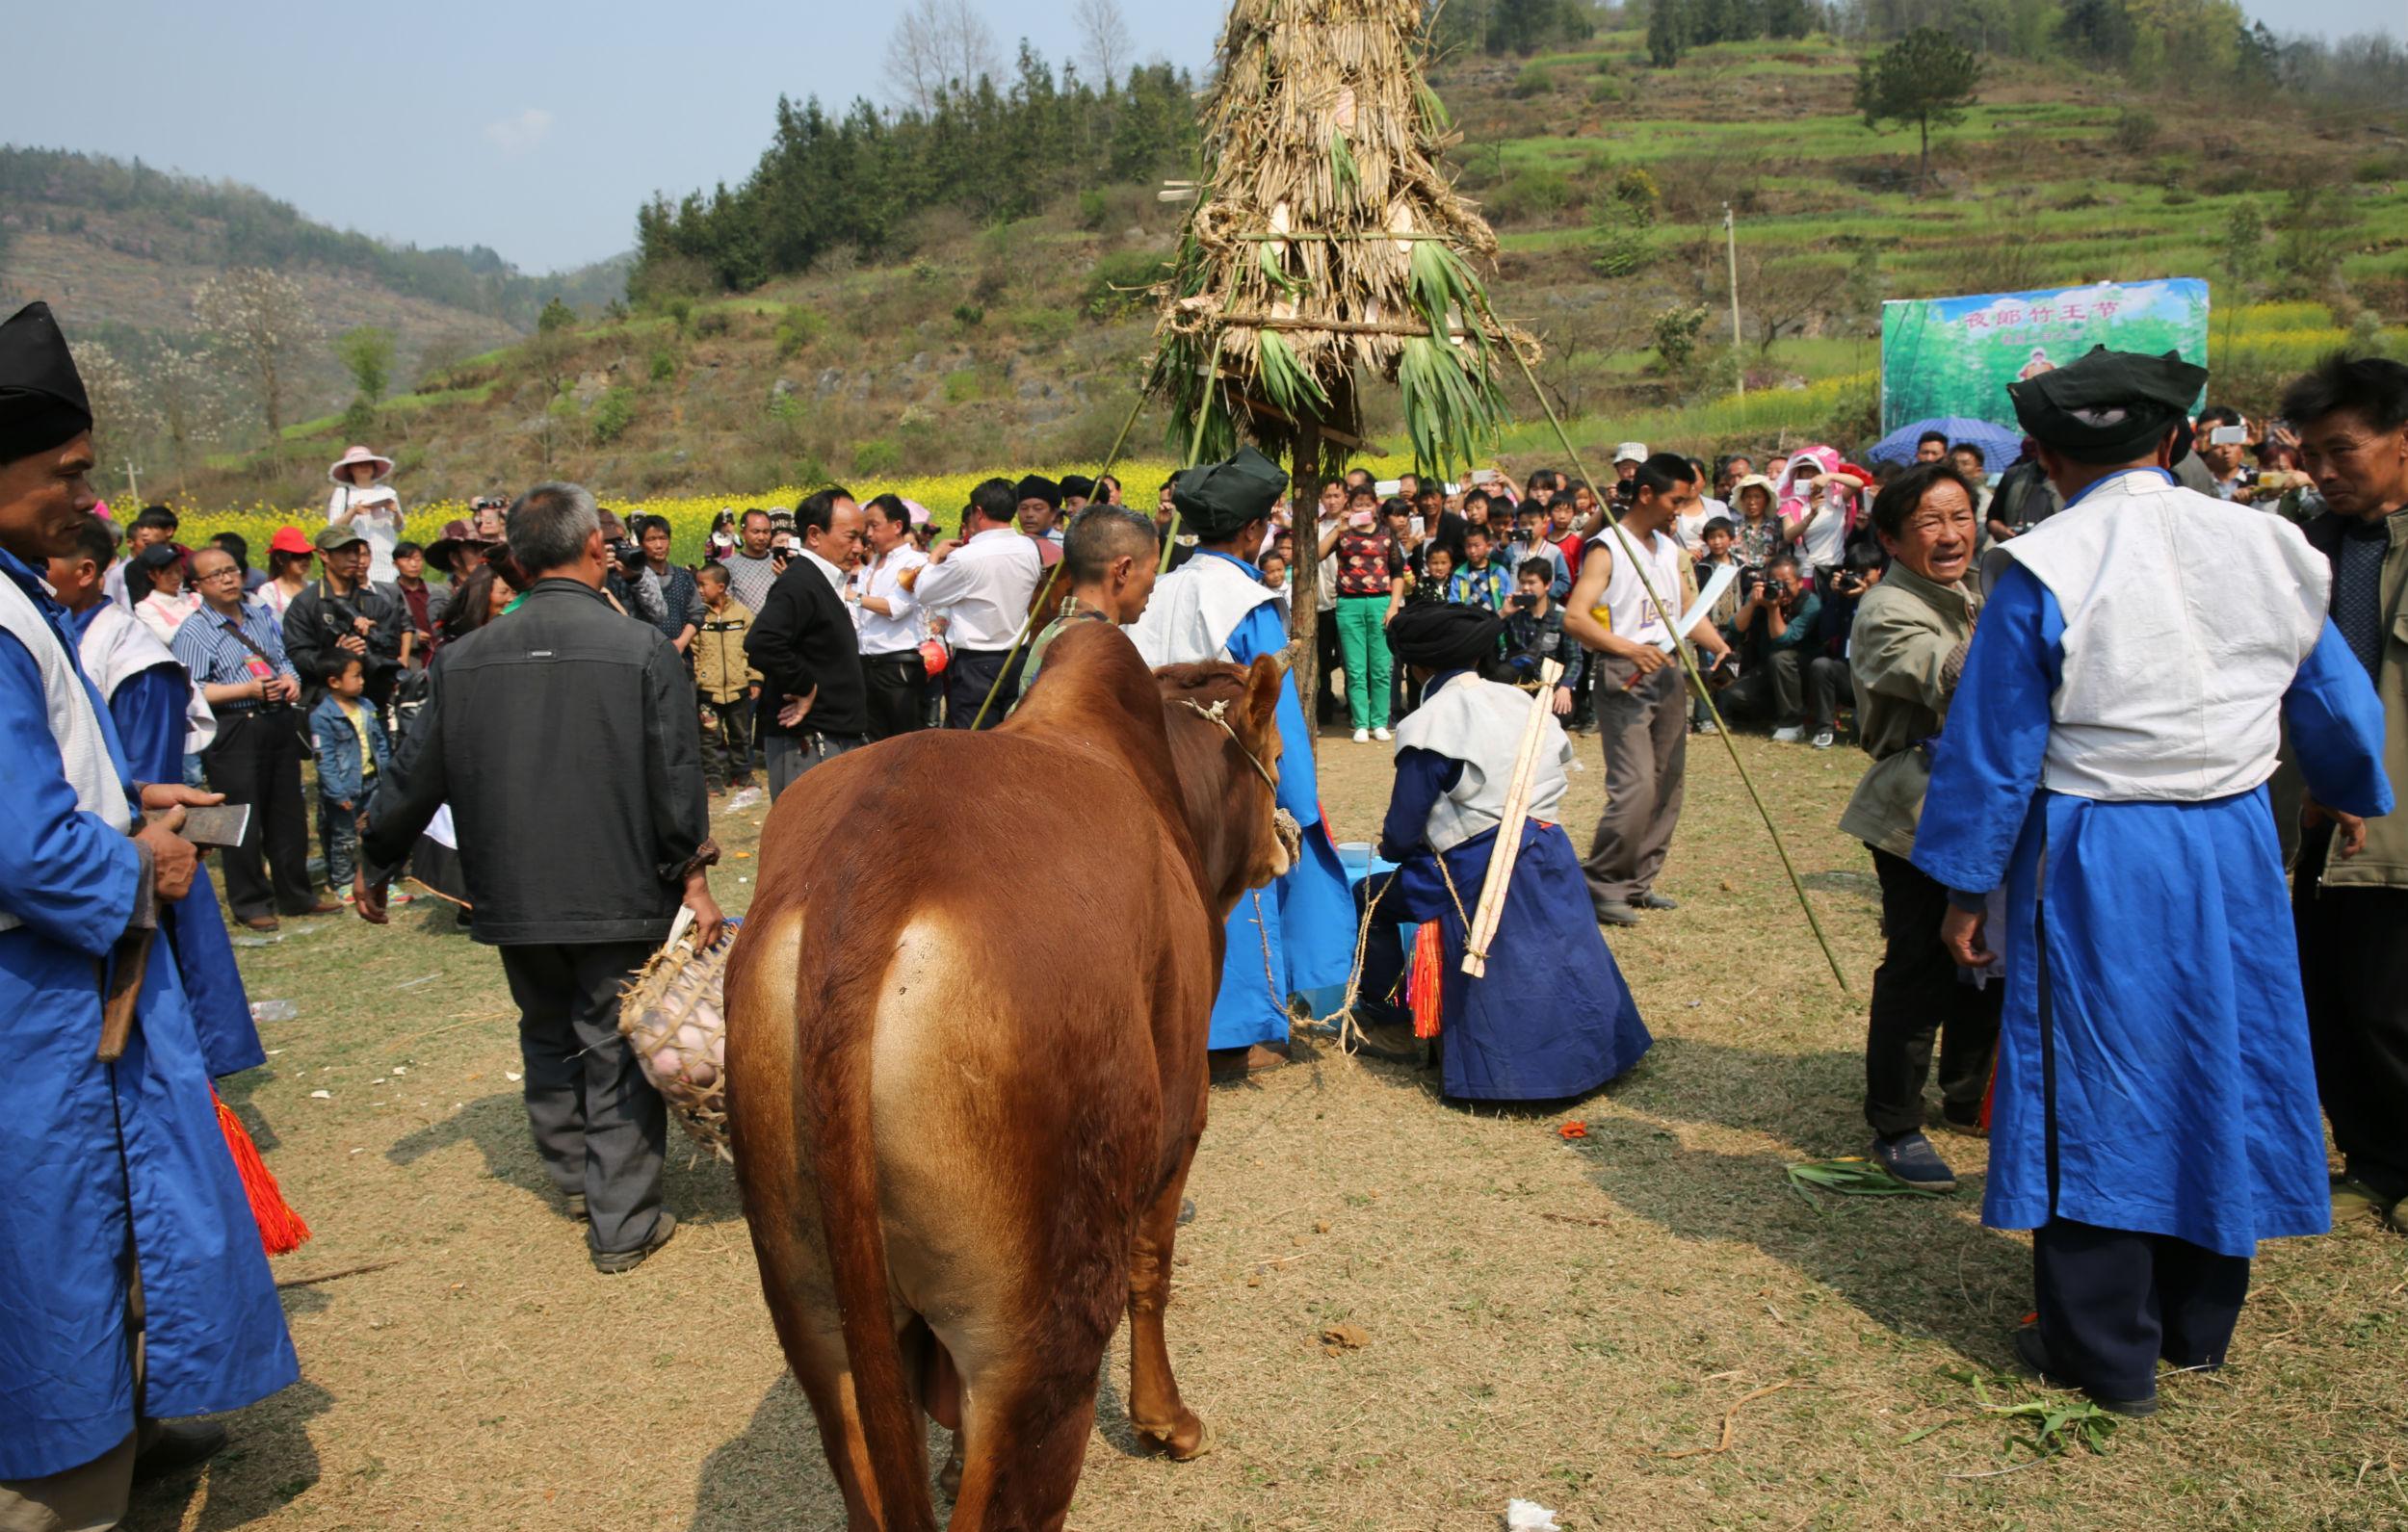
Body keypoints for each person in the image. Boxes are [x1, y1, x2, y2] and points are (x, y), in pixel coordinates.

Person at [1911, 347, 2392, 1416]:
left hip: (2098, 846)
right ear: (2174, 441)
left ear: (2039, 454)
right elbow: (2337, 702)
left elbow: (1991, 753)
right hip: (2231, 843)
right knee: (2215, 1056)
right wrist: (2349, 787)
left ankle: (2102, 1350)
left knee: (2096, 1078)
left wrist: (1962, 890)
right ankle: (2195, 1324)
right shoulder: (2274, 544)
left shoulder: (2042, 566)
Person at [0, 299, 297, 1522]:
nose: (92, 501)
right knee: (59, 1268)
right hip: (40, 1012)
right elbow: (21, 843)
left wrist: (132, 800)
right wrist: (141, 865)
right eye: (66, 474)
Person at [359, 481, 721, 1273]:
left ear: (515, 563)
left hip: (513, 890)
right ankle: (622, 1219)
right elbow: (675, 775)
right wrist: (692, 877)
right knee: (612, 1035)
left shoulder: (460, 659)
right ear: (598, 547)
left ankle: (573, 1175)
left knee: (546, 1026)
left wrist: (375, 858)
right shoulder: (643, 649)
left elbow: (413, 774)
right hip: (619, 885)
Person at [1128, 447, 1357, 1069]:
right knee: (1235, 894)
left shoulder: (1159, 588)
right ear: (1254, 531)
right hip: (1223, 775)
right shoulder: (1247, 602)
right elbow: (1268, 712)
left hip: (1153, 764)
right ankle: (1233, 1037)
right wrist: (1298, 800)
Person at [1373, 601, 1652, 1100]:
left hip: (1475, 869)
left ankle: (1389, 1024)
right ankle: (1597, 1050)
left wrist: (1401, 843)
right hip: (1550, 853)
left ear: (1418, 668)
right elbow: (1557, 762)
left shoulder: (1429, 722)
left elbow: (1399, 835)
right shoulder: (1524, 702)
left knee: (1366, 899)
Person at [1833, 461, 2001, 1191]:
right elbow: (1959, 675)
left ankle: (1967, 1093)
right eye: (1929, 522)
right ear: (1893, 541)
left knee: (1986, 960)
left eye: (1960, 515)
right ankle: (1896, 1124)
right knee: (1919, 965)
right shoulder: (1887, 608)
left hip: (1989, 802)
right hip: (1920, 806)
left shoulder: (1970, 592)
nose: (1950, 533)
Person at [49, 517, 261, 1085]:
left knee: (164, 1013)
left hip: (140, 847)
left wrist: (136, 820)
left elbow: (139, 770)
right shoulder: (65, 633)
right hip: (102, 848)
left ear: (86, 572)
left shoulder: (132, 655)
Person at [2282, 354, 2408, 1235]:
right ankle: (2373, 1158)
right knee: (2328, 998)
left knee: (2392, 1004)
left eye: (2342, 451)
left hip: (2402, 818)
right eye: (2311, 456)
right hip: (2320, 819)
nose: (2323, 472)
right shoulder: (2299, 554)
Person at [1563, 453, 1734, 926]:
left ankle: (1638, 881)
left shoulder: (1667, 546)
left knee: (1667, 781)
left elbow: (1685, 610)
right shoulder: (1607, 547)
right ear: (1645, 494)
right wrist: (1629, 650)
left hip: (1669, 673)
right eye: (1676, 500)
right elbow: (1575, 618)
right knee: (1635, 785)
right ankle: (1601, 883)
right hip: (1626, 674)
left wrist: (1718, 645)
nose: (1681, 509)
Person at [171, 544, 334, 931]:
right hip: (234, 727)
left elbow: (283, 660)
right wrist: (245, 690)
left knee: (288, 814)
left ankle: (296, 893)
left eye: (232, 570)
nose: (227, 578)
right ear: (197, 586)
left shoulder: (260, 614)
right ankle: (250, 902)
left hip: (276, 720)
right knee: (243, 818)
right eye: (216, 574)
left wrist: (290, 682)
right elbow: (190, 692)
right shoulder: (194, 631)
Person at [746, 487, 870, 799]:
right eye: (851, 537)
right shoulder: (799, 582)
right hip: (810, 744)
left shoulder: (823, 580)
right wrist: (805, 686)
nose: (859, 547)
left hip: (834, 737)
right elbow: (763, 642)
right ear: (814, 535)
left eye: (863, 538)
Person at [915, 477, 1043, 729]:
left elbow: (923, 592)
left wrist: (935, 556)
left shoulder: (967, 557)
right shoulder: (1029, 548)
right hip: (1018, 659)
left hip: (976, 666)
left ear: (979, 513)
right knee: (1013, 739)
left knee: (974, 748)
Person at [1020, 505, 1161, 697]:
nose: (1154, 584)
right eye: (1154, 570)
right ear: (1123, 571)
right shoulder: (1097, 647)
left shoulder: (1054, 630)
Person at [282, 524, 404, 714]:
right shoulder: (305, 604)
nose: (354, 558)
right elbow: (297, 656)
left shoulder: (375, 602)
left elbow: (393, 648)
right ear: (324, 555)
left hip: (371, 702)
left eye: (356, 551)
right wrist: (337, 656)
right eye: (345, 552)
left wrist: (372, 637)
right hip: (325, 707)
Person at [1719, 554, 1836, 746]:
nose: (1780, 589)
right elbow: (1735, 628)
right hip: (1769, 668)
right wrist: (1752, 604)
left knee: (1781, 658)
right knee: (1735, 694)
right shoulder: (1762, 596)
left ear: (1800, 582)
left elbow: (1783, 639)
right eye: (1775, 582)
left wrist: (1772, 610)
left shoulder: (1810, 603)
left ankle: (1792, 723)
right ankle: (1776, 714)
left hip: (1805, 670)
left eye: (1786, 583)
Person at [1321, 490, 1403, 744]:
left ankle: (1379, 720)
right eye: (1358, 504)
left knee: (1381, 667)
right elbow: (1318, 553)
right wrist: (1339, 526)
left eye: (1367, 504)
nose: (1363, 508)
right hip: (1349, 603)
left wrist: (1393, 607)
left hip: (1381, 602)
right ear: (1350, 506)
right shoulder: (1343, 532)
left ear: (1375, 505)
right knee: (1355, 668)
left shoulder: (1386, 533)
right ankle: (1360, 722)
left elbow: (1398, 571)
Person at [309, 653, 389, 900]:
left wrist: (387, 776)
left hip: (372, 783)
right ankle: (343, 881)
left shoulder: (367, 707)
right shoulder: (322, 717)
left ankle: (377, 878)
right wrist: (337, 792)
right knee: (343, 837)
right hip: (344, 788)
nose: (362, 681)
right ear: (334, 682)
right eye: (356, 676)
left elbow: (381, 744)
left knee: (375, 832)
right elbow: (325, 759)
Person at [851, 493, 929, 741]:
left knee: (905, 741)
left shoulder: (915, 562)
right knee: (874, 742)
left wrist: (852, 596)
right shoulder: (870, 567)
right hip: (867, 662)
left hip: (898, 665)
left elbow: (896, 608)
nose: (869, 534)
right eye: (867, 527)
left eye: (874, 526)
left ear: (897, 526)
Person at [691, 561, 760, 794]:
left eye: (703, 585)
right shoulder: (698, 616)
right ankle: (712, 777)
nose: (699, 590)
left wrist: (754, 678)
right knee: (709, 737)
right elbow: (694, 649)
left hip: (738, 687)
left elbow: (754, 649)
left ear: (720, 587)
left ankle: (741, 773)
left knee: (741, 734)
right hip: (708, 690)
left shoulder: (742, 614)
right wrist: (699, 675)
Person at [1503, 558, 1584, 714]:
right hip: (1521, 682)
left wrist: (1565, 687)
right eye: (1522, 582)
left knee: (1562, 713)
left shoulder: (1562, 619)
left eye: (1532, 583)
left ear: (1547, 585)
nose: (1526, 588)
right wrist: (1503, 614)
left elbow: (1575, 658)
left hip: (1551, 683)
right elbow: (1490, 640)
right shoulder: (1514, 615)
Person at [326, 443, 405, 584]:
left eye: (368, 463)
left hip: (387, 554)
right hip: (357, 558)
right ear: (350, 469)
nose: (364, 467)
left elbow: (399, 527)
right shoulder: (343, 493)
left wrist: (395, 512)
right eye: (358, 464)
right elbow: (333, 527)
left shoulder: (388, 492)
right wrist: (354, 511)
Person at [635, 515, 697, 654]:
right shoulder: (634, 579)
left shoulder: (684, 577)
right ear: (640, 544)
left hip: (680, 654)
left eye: (663, 538)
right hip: (644, 654)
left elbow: (697, 613)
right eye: (651, 539)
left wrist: (681, 643)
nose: (659, 545)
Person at [106, 504, 186, 610]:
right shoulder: (134, 568)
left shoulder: (186, 558)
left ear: (169, 531)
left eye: (151, 527)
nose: (144, 533)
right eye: (142, 527)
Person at [388, 539, 449, 667]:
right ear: (395, 564)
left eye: (418, 559)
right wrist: (413, 637)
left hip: (441, 653)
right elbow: (389, 628)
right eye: (407, 559)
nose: (414, 564)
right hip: (412, 659)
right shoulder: (389, 595)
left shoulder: (439, 591)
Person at [129, 541, 200, 646]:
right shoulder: (145, 608)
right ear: (152, 576)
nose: (176, 577)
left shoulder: (196, 598)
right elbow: (170, 637)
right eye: (168, 573)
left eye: (178, 570)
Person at [722, 507, 783, 616]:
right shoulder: (728, 566)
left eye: (766, 532)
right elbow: (725, 606)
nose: (761, 537)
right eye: (755, 532)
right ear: (743, 533)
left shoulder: (779, 562)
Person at [1447, 525, 1512, 613]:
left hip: (1495, 620)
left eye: (1477, 545)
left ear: (1488, 546)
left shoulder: (1499, 571)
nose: (1472, 551)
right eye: (1468, 546)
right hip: (1470, 622)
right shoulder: (1460, 574)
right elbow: (1454, 601)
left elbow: (1508, 598)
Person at [261, 526, 314, 618]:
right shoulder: (269, 591)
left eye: (307, 555)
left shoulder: (313, 587)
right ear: (280, 559)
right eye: (296, 556)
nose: (304, 561)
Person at [1016, 475, 1066, 563]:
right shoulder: (1014, 546)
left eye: (1038, 508)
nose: (1029, 514)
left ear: (1054, 513)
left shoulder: (1065, 547)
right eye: (1024, 508)